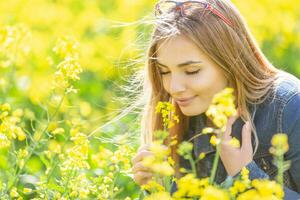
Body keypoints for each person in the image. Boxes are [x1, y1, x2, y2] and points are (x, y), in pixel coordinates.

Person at [131, 0, 300, 198]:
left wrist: (246, 177)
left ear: (230, 61)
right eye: (164, 71)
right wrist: (157, 188)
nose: (174, 88)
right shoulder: (183, 117)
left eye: (191, 71)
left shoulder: (288, 107)